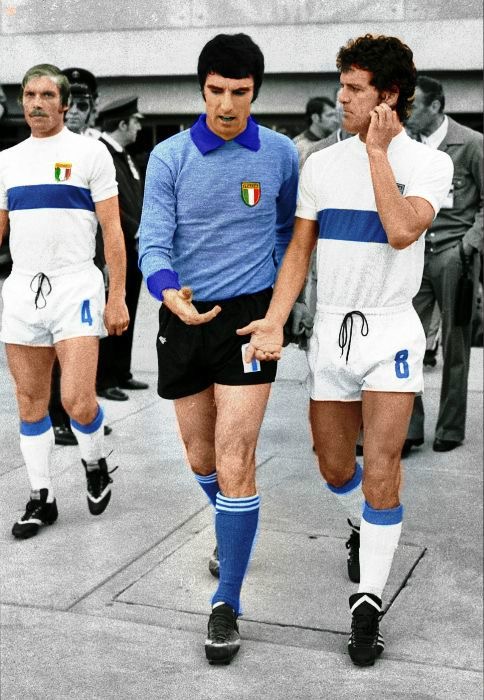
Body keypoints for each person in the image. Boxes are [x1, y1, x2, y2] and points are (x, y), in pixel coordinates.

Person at [238, 34, 453, 666]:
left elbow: (401, 229)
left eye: (355, 89)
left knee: (383, 467)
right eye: (342, 86)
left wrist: (378, 154)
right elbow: (298, 252)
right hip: (331, 332)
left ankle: (367, 604)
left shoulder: (428, 163)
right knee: (335, 466)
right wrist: (275, 320)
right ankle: (364, 522)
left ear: (389, 96)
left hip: (391, 332)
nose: (342, 98)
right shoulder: (322, 166)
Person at [138, 33, 298, 664]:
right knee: (201, 457)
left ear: (256, 91)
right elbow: (153, 239)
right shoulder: (170, 156)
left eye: (239, 92)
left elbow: (288, 232)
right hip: (182, 313)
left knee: (236, 458)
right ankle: (235, 528)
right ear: (200, 88)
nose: (227, 105)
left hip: (247, 322)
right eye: (215, 91)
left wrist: (279, 309)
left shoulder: (280, 153)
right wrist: (167, 292)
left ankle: (225, 602)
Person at [0, 64, 129, 539]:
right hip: (23, 289)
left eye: (47, 95)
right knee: (30, 401)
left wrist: (117, 296)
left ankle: (94, 463)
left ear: (65, 103)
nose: (36, 103)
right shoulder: (7, 160)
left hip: (75, 286)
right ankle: (42, 497)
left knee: (77, 401)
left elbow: (113, 231)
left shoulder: (90, 154)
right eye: (29, 95)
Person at [403, 75, 483, 454]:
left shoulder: (471, 144)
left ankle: (450, 428)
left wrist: (470, 243)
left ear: (435, 106)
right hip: (415, 251)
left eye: (413, 105)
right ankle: (409, 427)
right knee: (407, 340)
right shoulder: (407, 146)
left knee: (455, 341)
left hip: (455, 253)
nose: (406, 113)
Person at [49, 67, 113, 445]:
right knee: (57, 347)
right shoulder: (45, 146)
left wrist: (105, 262)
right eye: (69, 102)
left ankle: (83, 413)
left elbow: (105, 216)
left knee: (85, 344)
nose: (75, 111)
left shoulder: (96, 149)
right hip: (52, 264)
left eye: (83, 103)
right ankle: (58, 417)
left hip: (86, 262)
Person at [95, 97, 148, 400]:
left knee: (128, 310)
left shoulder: (122, 155)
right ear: (123, 123)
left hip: (131, 247)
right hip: (116, 245)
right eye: (136, 121)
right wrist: (135, 228)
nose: (139, 127)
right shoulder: (101, 154)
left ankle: (121, 372)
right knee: (112, 312)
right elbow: (108, 206)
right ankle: (105, 379)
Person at [293, 96, 338, 168]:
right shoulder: (298, 146)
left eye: (335, 116)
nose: (335, 120)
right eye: (330, 115)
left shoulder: (336, 141)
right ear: (315, 118)